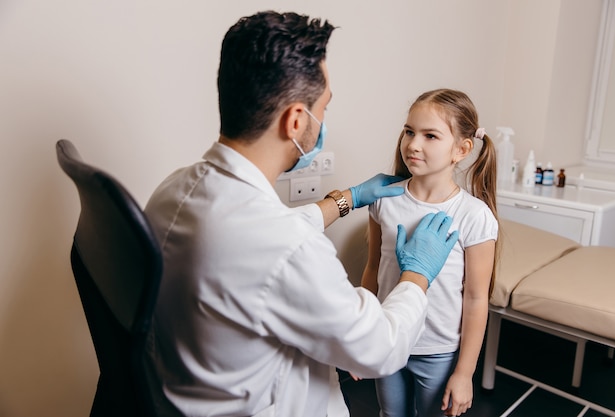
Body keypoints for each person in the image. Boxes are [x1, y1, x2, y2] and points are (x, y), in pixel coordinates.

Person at [143, 11, 459, 417]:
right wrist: (417, 273)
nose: (323, 120)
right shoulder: (287, 248)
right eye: (323, 108)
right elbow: (380, 349)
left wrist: (345, 200)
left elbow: (256, 237)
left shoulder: (174, 189)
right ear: (296, 120)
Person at [360, 89, 499, 417]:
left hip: (436, 350)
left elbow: (477, 298)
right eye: (409, 131)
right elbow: (372, 270)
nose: (413, 144)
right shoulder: (383, 198)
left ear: (461, 150)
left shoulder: (473, 216)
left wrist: (464, 373)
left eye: (430, 135)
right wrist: (364, 335)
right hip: (389, 337)